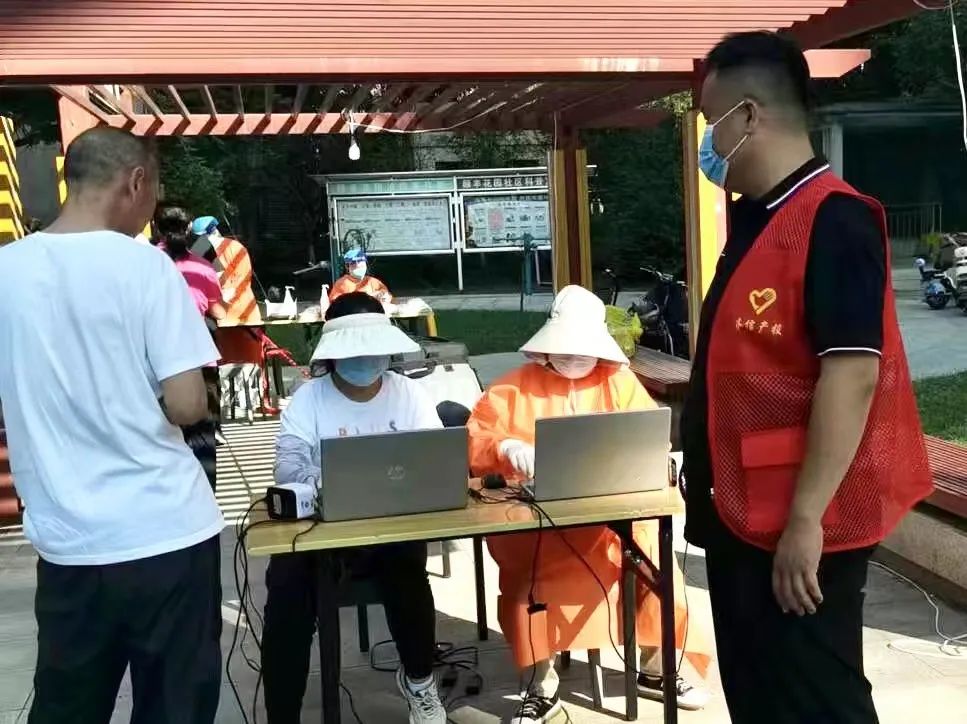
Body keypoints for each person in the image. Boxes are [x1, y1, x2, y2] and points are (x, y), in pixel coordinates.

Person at [682, 31, 933, 724]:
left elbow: (851, 375)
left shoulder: (832, 218)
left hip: (795, 520)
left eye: (710, 122)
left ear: (748, 116)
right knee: (761, 696)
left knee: (817, 698)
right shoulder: (756, 220)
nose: (707, 142)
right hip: (739, 514)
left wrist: (804, 522)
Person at [0, 127, 224, 723]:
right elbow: (187, 405)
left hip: (69, 542)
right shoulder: (147, 267)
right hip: (167, 532)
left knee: (69, 706)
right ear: (135, 182)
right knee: (175, 707)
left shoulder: (5, 270)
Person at [467, 285, 711, 724]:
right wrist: (505, 446)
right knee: (526, 585)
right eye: (567, 350)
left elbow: (649, 437)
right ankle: (539, 686)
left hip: (614, 521)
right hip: (540, 527)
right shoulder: (513, 386)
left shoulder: (619, 382)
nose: (576, 359)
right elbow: (475, 438)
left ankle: (656, 669)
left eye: (584, 351)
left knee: (658, 567)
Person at [261, 292, 447, 724]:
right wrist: (318, 483)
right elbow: (287, 462)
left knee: (409, 576)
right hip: (321, 533)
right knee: (287, 591)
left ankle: (419, 681)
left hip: (391, 529)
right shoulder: (309, 399)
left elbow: (437, 456)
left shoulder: (409, 394)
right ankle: (281, 714)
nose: (364, 359)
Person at [156, 205, 226, 490]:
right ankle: (205, 496)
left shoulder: (144, 264)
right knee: (201, 438)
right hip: (199, 361)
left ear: (157, 229)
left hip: (155, 363)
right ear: (189, 230)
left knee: (160, 436)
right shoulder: (203, 266)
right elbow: (219, 312)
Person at [190, 214, 262, 324]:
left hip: (239, 312)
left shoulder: (234, 248)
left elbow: (241, 280)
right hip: (224, 313)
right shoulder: (201, 251)